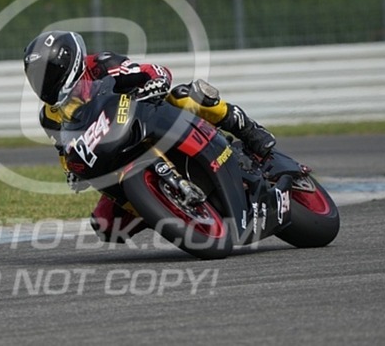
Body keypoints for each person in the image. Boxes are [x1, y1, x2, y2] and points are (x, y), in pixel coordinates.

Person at [23, 30, 276, 243]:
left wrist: (153, 83)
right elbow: (64, 149)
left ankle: (249, 130)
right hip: (113, 154)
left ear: (68, 62)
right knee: (105, 225)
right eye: (36, 77)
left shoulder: (102, 64)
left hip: (146, 118)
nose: (43, 82)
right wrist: (71, 171)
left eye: (48, 73)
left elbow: (154, 71)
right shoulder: (50, 116)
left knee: (185, 96)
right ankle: (162, 207)